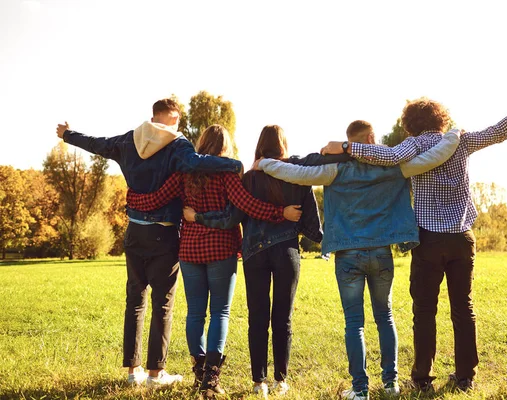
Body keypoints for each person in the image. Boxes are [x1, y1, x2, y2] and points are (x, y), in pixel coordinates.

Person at [321, 83, 507, 392]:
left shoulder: (415, 144)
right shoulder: (461, 140)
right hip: (461, 238)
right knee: (463, 308)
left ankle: (422, 379)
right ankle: (465, 377)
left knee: (425, 311)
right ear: (441, 118)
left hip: (428, 239)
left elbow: (386, 156)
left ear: (411, 123)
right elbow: (498, 132)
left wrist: (348, 148)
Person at [255, 121, 460, 400]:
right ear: (372, 138)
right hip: (380, 252)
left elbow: (293, 173)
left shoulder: (334, 171)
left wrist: (264, 163)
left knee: (355, 323)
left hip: (348, 255)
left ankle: (360, 390)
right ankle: (391, 384)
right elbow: (434, 157)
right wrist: (453, 134)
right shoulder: (393, 168)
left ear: (349, 141)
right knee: (385, 317)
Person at [55, 99, 242, 387]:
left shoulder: (130, 140)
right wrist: (233, 164)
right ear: (171, 117)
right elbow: (195, 163)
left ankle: (133, 371)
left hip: (134, 232)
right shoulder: (177, 145)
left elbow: (98, 144)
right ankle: (156, 373)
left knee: (135, 301)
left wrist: (69, 135)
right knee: (162, 304)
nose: (179, 125)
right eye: (178, 119)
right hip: (163, 232)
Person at [125, 124, 303, 396]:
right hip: (221, 249)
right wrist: (281, 213)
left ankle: (200, 370)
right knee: (220, 311)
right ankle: (211, 377)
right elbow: (248, 205)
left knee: (195, 312)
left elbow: (155, 199)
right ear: (225, 148)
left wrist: (132, 197)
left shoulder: (183, 173)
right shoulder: (227, 173)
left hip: (190, 251)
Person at [189, 125, 328, 398]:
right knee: (283, 318)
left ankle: (258, 381)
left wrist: (200, 217)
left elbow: (235, 216)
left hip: (254, 254)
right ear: (283, 146)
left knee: (257, 317)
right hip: (286, 253)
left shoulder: (248, 178)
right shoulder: (297, 177)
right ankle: (281, 380)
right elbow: (314, 228)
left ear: (259, 146)